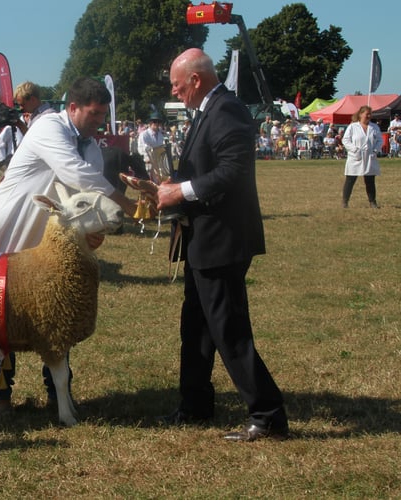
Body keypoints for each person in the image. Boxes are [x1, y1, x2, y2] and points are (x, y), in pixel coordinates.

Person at [0, 77, 144, 414]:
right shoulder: (48, 126)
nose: (98, 122)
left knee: (56, 314)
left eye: (103, 116)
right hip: (12, 227)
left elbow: (87, 199)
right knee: (1, 312)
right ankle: (1, 395)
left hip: (51, 242)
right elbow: (76, 174)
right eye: (93, 114)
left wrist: (95, 234)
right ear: (73, 108)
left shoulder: (90, 146)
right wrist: (129, 204)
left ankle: (57, 394)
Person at [156, 48, 288, 442]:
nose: (175, 94)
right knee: (196, 326)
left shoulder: (226, 109)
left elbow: (233, 171)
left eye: (177, 87)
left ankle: (268, 415)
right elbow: (202, 168)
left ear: (196, 80)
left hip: (223, 239)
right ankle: (195, 405)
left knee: (228, 329)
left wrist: (181, 191)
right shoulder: (206, 112)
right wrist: (166, 187)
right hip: (204, 238)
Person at [341, 105, 382, 209]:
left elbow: (380, 140)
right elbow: (345, 140)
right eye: (366, 114)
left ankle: (373, 202)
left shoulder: (374, 127)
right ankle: (345, 202)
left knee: (370, 180)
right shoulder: (353, 126)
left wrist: (375, 150)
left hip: (369, 156)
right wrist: (354, 150)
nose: (368, 116)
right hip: (356, 156)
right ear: (360, 114)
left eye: (370, 114)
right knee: (350, 179)